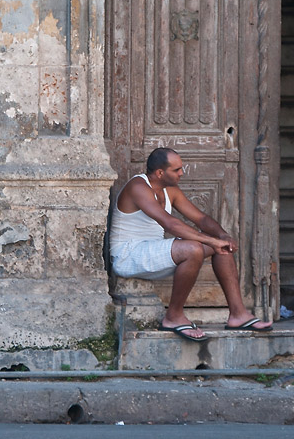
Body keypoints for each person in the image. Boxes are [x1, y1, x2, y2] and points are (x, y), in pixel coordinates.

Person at [108, 146, 276, 342]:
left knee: (222, 248)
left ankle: (238, 314)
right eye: (176, 170)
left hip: (152, 253)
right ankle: (173, 317)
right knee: (194, 248)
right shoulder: (138, 187)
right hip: (128, 256)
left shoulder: (170, 190)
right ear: (160, 173)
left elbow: (202, 219)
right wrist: (212, 240)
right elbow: (170, 223)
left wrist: (222, 235)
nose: (182, 173)